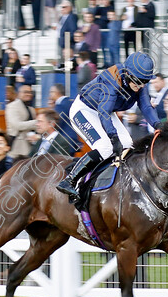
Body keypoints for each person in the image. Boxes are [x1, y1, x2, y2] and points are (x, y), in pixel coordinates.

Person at [57, 52, 162, 206]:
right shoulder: (112, 80)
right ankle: (70, 180)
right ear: (127, 74)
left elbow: (146, 106)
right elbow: (103, 112)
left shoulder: (139, 82)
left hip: (104, 111)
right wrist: (113, 137)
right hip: (84, 110)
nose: (140, 86)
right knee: (105, 147)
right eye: (138, 81)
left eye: (144, 82)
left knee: (127, 144)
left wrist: (158, 126)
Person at [6, 85, 37, 158]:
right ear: (19, 93)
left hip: (30, 145)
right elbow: (17, 125)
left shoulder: (31, 109)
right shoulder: (12, 106)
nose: (28, 94)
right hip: (17, 146)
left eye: (30, 92)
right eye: (25, 92)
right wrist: (36, 122)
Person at [49, 83, 80, 155]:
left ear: (57, 92)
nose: (50, 95)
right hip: (73, 140)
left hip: (64, 142)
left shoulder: (60, 105)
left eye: (51, 92)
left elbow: (56, 123)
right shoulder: (71, 102)